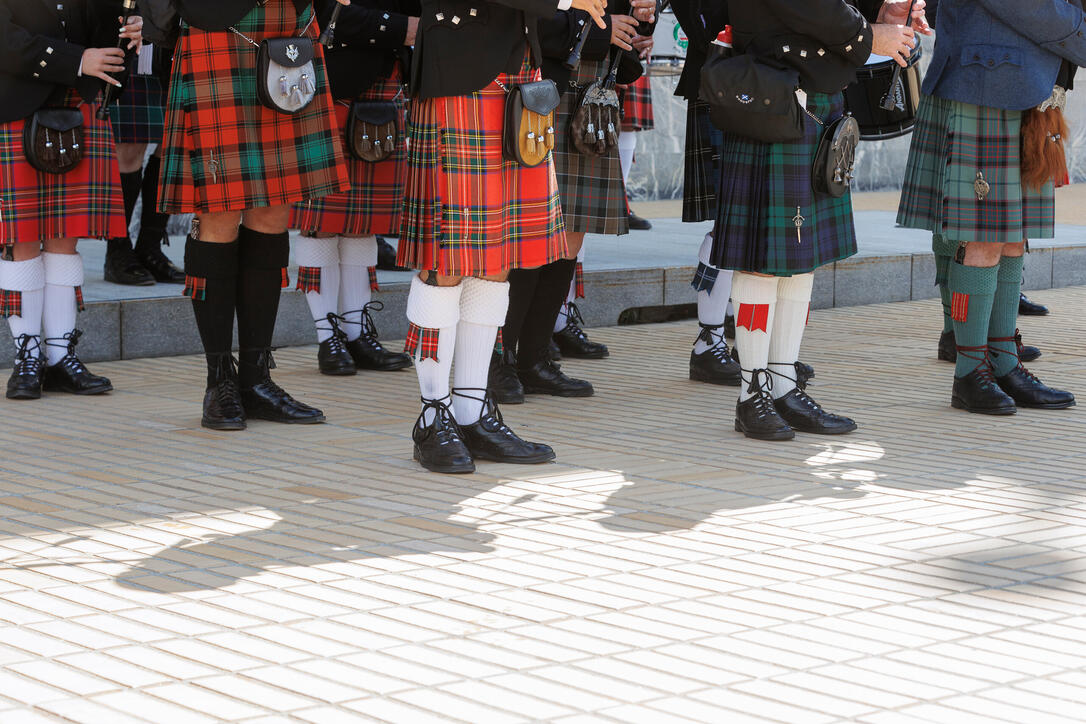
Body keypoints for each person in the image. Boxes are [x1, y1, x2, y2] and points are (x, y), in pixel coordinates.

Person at [397, 0, 609, 474]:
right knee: (446, 260)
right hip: (458, 75)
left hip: (517, 76)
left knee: (497, 259)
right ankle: (433, 417)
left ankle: (473, 413)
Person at [714, 0, 924, 440]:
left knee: (800, 256)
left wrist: (880, 11)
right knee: (761, 260)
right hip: (774, 92)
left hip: (813, 93)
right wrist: (868, 35)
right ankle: (752, 395)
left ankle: (784, 385)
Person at [160, 0, 351, 430]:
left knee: (273, 211)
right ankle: (219, 382)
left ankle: (255, 379)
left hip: (288, 30)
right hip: (217, 29)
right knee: (218, 213)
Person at [898, 0, 1080, 414]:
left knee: (1014, 234)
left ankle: (1004, 363)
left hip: (1030, 85)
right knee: (983, 236)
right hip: (984, 81)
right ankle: (970, 374)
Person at [0, 0, 138, 400]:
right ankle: (28, 356)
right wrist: (77, 60)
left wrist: (128, 35)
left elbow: (105, 40)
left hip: (77, 107)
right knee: (23, 240)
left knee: (65, 239)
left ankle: (61, 356)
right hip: (13, 107)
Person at [288, 0, 416, 377]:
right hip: (327, 81)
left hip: (386, 81)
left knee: (363, 224)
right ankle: (328, 338)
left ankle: (357, 334)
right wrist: (402, 28)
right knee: (321, 222)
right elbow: (323, 11)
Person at [104, 42, 185, 286]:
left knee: (173, 142)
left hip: (173, 41)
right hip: (132, 46)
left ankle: (150, 249)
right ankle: (118, 251)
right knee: (129, 147)